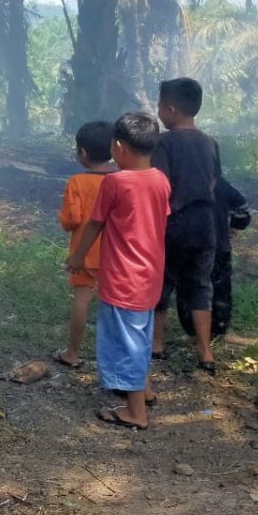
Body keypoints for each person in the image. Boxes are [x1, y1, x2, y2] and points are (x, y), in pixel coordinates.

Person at [68, 112, 170, 431]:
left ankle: (135, 412)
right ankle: (146, 389)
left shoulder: (116, 182)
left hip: (123, 276)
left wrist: (78, 256)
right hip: (150, 274)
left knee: (125, 342)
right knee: (139, 334)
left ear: (119, 147)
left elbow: (95, 224)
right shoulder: (160, 180)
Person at [150, 77, 222, 373]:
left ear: (170, 109)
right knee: (200, 286)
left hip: (172, 223)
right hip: (205, 224)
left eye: (159, 106)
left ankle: (155, 345)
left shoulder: (163, 143)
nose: (158, 112)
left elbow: (159, 185)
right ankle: (205, 352)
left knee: (161, 283)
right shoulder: (210, 143)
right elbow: (215, 181)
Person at [53, 121, 115, 369]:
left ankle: (73, 353)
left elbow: (72, 219)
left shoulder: (77, 182)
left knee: (82, 299)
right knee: (113, 304)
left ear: (83, 153)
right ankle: (112, 358)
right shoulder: (122, 179)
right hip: (116, 253)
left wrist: (63, 221)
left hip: (85, 253)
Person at [177, 177, 251, 339]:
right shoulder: (220, 183)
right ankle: (218, 329)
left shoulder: (182, 181)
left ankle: (193, 331)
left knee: (188, 289)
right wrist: (232, 226)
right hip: (219, 247)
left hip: (190, 246)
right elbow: (243, 212)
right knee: (220, 289)